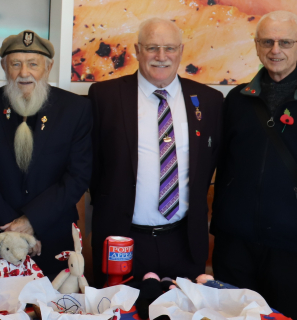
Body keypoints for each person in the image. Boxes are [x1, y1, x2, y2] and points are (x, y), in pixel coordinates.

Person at [89, 18, 223, 287]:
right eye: (152, 48)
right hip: (123, 240)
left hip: (184, 242)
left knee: (184, 313)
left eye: (169, 48)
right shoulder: (105, 96)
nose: (161, 56)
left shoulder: (209, 100)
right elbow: (92, 164)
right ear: (137, 50)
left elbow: (209, 164)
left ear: (181, 51)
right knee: (120, 313)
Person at [211, 11, 297, 320]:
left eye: (285, 42)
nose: (275, 50)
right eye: (267, 42)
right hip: (234, 245)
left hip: (291, 248)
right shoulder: (236, 100)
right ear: (256, 46)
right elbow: (221, 165)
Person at [0, 31, 92, 279]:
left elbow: (78, 175)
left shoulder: (75, 109)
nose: (24, 73)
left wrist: (32, 220)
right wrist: (12, 227)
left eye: (33, 64)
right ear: (4, 67)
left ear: (48, 68)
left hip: (53, 239)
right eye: (16, 64)